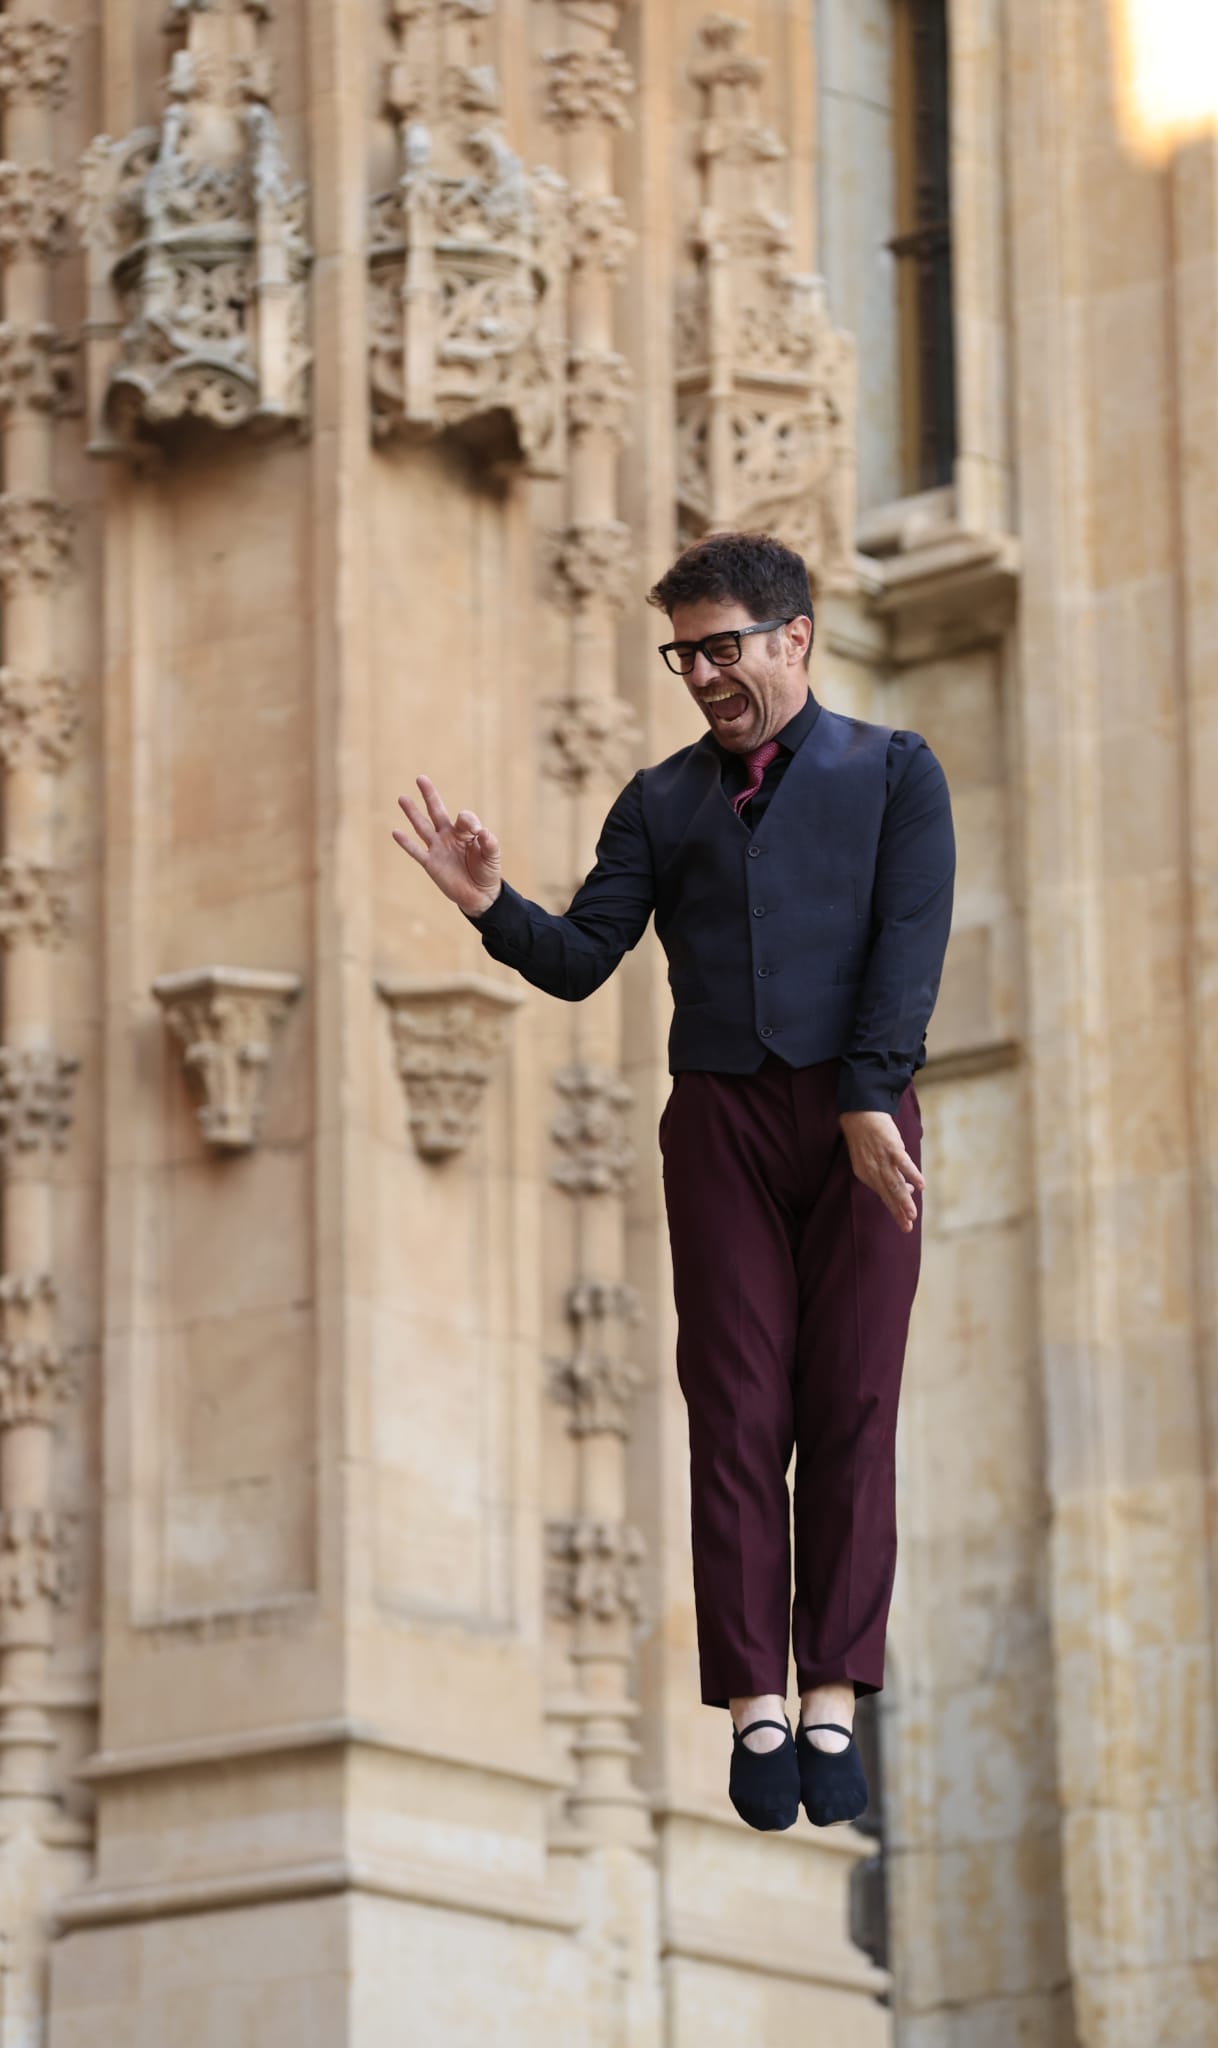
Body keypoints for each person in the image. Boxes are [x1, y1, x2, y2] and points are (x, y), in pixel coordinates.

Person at [393, 531, 955, 1832]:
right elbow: (587, 957)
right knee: (738, 1409)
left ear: (793, 638)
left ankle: (835, 1697)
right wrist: (489, 906)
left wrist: (872, 1092)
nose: (701, 674)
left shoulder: (893, 775)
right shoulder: (657, 801)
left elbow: (908, 943)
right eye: (683, 652)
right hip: (718, 1120)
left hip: (861, 1116)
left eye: (722, 647)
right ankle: (755, 1697)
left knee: (854, 1401)